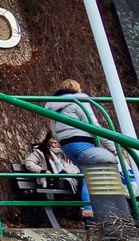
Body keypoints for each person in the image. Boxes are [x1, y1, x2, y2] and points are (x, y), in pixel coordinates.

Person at [45, 78, 113, 222]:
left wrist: (63, 147)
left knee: (85, 173)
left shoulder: (54, 106)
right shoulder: (79, 101)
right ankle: (90, 210)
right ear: (77, 89)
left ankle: (90, 209)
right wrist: (113, 147)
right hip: (83, 141)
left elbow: (54, 132)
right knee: (91, 175)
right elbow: (94, 126)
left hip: (67, 145)